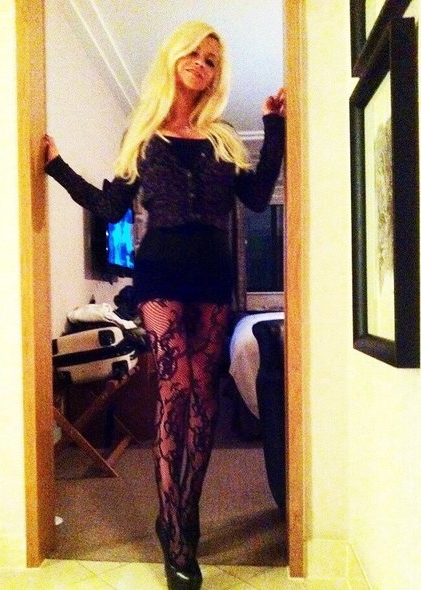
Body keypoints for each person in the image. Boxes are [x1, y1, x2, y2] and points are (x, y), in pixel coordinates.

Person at [44, 20, 285, 590]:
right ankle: (174, 530)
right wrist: (56, 166)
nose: (202, 65)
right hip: (160, 274)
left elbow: (257, 198)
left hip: (213, 276)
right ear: (174, 58)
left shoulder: (223, 137)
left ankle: (184, 514)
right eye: (194, 54)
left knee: (205, 398)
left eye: (212, 60)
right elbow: (109, 207)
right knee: (174, 392)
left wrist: (274, 125)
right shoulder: (143, 134)